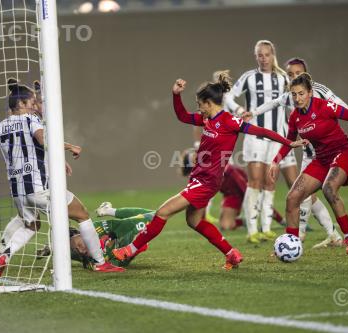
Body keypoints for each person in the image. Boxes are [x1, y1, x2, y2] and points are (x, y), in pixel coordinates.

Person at [111, 73, 307, 270]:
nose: (198, 108)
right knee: (194, 221)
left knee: (162, 212)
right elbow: (182, 116)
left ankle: (130, 249)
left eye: (199, 104)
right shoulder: (206, 120)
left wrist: (288, 142)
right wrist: (175, 95)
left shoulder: (230, 121)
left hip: (207, 182)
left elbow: (262, 131)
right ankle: (232, 254)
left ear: (208, 102)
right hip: (200, 179)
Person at [0, 78, 124, 275]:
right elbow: (43, 139)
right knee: (82, 214)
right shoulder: (31, 120)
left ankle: (5, 254)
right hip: (39, 187)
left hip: (18, 192)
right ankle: (99, 262)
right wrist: (69, 146)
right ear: (21, 104)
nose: (34, 108)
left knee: (31, 225)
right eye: (32, 103)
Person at [243, 58, 348, 248]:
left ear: (310, 92)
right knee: (292, 198)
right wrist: (275, 161)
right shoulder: (295, 116)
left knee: (329, 189)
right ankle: (291, 244)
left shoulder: (324, 105)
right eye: (294, 94)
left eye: (301, 94)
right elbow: (289, 141)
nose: (297, 98)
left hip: (341, 153)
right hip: (320, 159)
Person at [224, 40, 298, 244]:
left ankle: (266, 228)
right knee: (254, 180)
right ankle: (252, 230)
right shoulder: (249, 77)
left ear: (273, 55)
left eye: (267, 54)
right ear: (256, 56)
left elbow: (292, 103)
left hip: (276, 137)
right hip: (255, 136)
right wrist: (239, 111)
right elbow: (229, 96)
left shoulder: (283, 77)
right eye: (260, 55)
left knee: (270, 180)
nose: (263, 58)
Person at [181, 148, 285, 231]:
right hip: (230, 195)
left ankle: (277, 220)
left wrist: (280, 220)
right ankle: (243, 221)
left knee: (255, 199)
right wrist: (201, 219)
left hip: (241, 189)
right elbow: (202, 197)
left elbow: (246, 190)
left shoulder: (226, 170)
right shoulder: (200, 175)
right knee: (226, 226)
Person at [38, 203, 153, 267]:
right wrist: (49, 248)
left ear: (80, 233)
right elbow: (67, 251)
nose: (80, 249)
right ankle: (109, 210)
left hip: (126, 236)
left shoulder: (96, 228)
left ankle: (109, 211)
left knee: (153, 216)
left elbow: (122, 224)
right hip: (125, 252)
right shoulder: (83, 255)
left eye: (78, 243)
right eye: (76, 249)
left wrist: (112, 236)